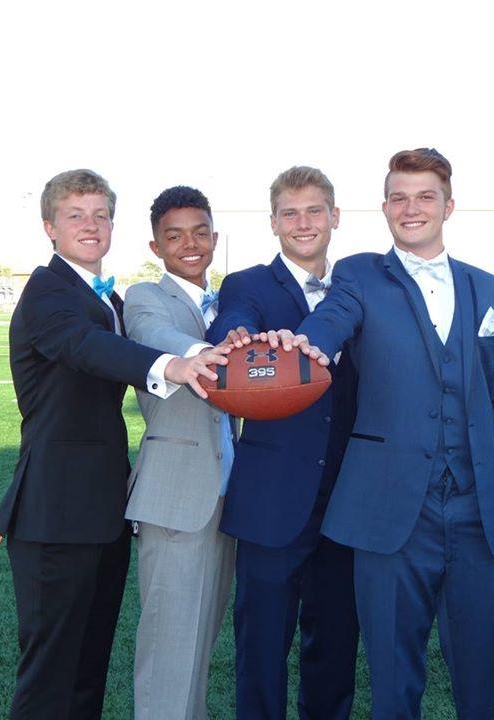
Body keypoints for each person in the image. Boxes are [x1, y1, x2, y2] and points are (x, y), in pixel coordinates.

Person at [283, 148, 494, 719]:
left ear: (448, 205)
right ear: (384, 207)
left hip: (479, 511)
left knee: (486, 674)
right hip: (391, 512)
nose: (410, 208)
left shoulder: (487, 290)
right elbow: (332, 318)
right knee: (393, 681)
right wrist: (308, 341)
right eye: (398, 197)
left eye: (424, 196)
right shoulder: (361, 274)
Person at [0, 170, 230, 720]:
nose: (90, 225)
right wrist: (174, 363)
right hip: (55, 512)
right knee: (50, 676)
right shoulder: (48, 290)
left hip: (103, 510)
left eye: (100, 214)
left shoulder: (109, 297)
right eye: (75, 215)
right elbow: (82, 345)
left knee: (87, 670)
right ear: (49, 226)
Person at [207, 166, 359, 719]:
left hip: (347, 499)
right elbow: (234, 318)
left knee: (336, 646)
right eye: (290, 213)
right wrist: (236, 337)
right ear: (273, 222)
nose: (303, 223)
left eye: (314, 210)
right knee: (262, 647)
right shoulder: (247, 284)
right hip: (272, 498)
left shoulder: (356, 286)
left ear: (335, 217)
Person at [123, 186, 235, 720]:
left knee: (200, 643)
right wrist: (201, 354)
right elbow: (153, 335)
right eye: (175, 235)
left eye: (200, 231)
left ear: (214, 236)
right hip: (174, 495)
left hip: (228, 499)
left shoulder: (230, 300)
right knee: (169, 650)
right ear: (155, 245)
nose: (190, 244)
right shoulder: (146, 298)